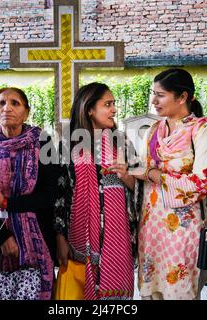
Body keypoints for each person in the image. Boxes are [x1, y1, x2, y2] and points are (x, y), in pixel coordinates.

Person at [134, 68, 207, 300]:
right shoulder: (154, 130)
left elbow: (201, 184)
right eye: (154, 93)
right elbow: (143, 171)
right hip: (151, 225)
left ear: (182, 97)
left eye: (160, 95)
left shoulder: (204, 130)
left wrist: (153, 174)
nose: (154, 101)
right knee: (150, 292)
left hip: (184, 228)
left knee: (180, 292)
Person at [54, 82, 140, 300]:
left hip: (117, 236)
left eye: (114, 104)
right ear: (89, 108)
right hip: (80, 238)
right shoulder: (68, 144)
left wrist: (126, 176)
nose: (114, 110)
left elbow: (141, 188)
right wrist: (59, 237)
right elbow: (59, 194)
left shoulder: (122, 142)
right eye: (107, 104)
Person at [0, 87, 57, 300]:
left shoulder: (43, 144)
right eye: (1, 103)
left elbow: (49, 195)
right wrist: (3, 238)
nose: (6, 107)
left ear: (26, 112)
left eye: (15, 103)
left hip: (38, 238)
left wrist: (7, 203)